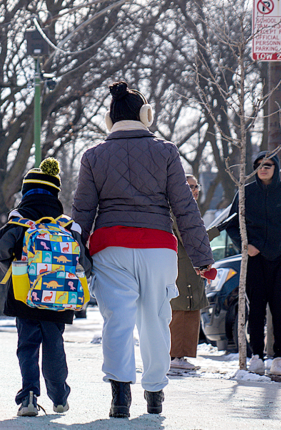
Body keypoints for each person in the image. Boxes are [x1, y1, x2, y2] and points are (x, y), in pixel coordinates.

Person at [72, 81, 213, 418]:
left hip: (110, 248)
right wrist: (202, 257)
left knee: (117, 321)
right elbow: (184, 208)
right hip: (157, 246)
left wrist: (75, 256)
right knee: (155, 319)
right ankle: (154, 392)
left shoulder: (92, 156)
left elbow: (82, 213)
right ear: (146, 115)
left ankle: (120, 397)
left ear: (110, 120)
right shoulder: (166, 152)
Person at [0, 158, 90, 417]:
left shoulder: (19, 221)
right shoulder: (67, 225)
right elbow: (85, 261)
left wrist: (15, 272)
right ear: (55, 193)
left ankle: (29, 396)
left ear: (26, 192)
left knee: (27, 346)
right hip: (59, 295)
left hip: (24, 295)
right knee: (55, 345)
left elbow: (0, 249)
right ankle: (59, 397)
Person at [225, 150, 281, 375]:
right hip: (255, 260)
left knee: (279, 310)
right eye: (259, 164)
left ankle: (278, 357)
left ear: (276, 168)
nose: (264, 168)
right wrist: (245, 246)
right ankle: (256, 355)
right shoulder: (245, 192)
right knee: (255, 309)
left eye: (268, 164)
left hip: (279, 260)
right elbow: (231, 224)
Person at [169, 175, 220, 371]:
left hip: (192, 269)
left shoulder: (191, 211)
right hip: (183, 270)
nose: (194, 190)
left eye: (196, 186)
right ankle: (175, 356)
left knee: (191, 312)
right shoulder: (179, 212)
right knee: (181, 311)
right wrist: (217, 230)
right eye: (189, 186)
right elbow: (191, 240)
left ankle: (181, 356)